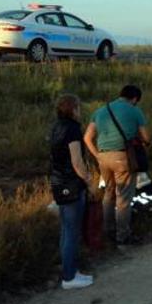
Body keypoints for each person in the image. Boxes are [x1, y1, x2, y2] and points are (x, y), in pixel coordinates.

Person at [84, 85, 150, 247]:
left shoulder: (100, 111)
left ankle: (108, 231)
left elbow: (87, 138)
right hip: (123, 157)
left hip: (103, 157)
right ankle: (123, 236)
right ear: (134, 99)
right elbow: (146, 137)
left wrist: (97, 155)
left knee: (108, 193)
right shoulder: (135, 111)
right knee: (123, 198)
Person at [50, 94, 94, 289]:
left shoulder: (56, 127)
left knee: (66, 230)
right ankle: (69, 276)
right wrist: (88, 180)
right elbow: (77, 161)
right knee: (72, 231)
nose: (80, 110)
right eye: (78, 107)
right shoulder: (73, 129)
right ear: (73, 108)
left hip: (58, 183)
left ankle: (69, 271)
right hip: (72, 185)